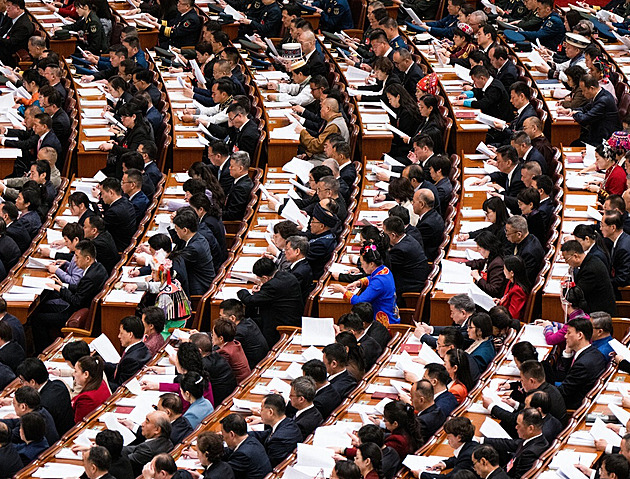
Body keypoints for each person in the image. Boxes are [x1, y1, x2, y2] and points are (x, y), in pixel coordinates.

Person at [32, 240, 109, 352]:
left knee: (37, 319)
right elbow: (81, 289)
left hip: (74, 313)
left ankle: (43, 351)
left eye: (77, 257)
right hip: (81, 305)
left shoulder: (89, 278)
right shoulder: (99, 267)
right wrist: (63, 284)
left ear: (87, 259)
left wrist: (60, 289)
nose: (75, 260)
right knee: (42, 306)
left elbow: (76, 301)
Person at [237, 257, 303, 348]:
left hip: (281, 324)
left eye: (260, 279)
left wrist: (242, 291)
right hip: (292, 316)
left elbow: (250, 301)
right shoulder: (287, 275)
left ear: (265, 277)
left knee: (248, 324)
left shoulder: (272, 285)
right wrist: (262, 293)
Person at [331, 243, 399, 324]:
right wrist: (359, 282)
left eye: (362, 264)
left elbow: (359, 302)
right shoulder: (384, 269)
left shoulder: (378, 282)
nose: (362, 267)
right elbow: (371, 277)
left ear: (371, 264)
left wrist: (342, 290)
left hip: (385, 322)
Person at [553, 317, 608, 409]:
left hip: (573, 407)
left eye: (569, 333)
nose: (565, 336)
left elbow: (563, 392)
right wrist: (567, 354)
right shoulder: (596, 353)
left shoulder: (582, 364)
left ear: (579, 335)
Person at [483, 408, 549, 479]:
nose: (516, 427)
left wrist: (492, 472)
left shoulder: (529, 453)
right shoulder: (537, 440)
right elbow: (510, 443)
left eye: (518, 425)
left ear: (530, 429)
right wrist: (482, 440)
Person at [558, 74, 621, 146]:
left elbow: (584, 119)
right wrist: (569, 110)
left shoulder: (603, 100)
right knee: (574, 143)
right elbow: (585, 109)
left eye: (584, 90)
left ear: (592, 88)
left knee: (574, 144)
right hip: (595, 132)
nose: (582, 93)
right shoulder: (599, 95)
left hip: (604, 138)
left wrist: (575, 113)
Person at [15, 358, 73, 435]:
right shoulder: (59, 384)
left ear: (32, 382)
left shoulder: (42, 405)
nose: (22, 384)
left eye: (22, 381)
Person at [560, 240, 616, 315]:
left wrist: (563, 290)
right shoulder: (589, 260)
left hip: (599, 315)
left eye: (566, 259)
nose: (566, 262)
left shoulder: (590, 270)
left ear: (576, 256)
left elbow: (575, 296)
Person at [172, 209, 215, 295]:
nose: (175, 231)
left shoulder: (194, 248)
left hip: (198, 287)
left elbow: (175, 261)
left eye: (176, 229)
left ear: (185, 230)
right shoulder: (199, 237)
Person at [104, 316, 152, 390]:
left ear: (130, 335)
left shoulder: (131, 359)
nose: (119, 336)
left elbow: (120, 388)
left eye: (121, 333)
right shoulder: (142, 348)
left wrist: (100, 382)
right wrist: (100, 365)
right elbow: (120, 367)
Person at [220, 413, 273, 479]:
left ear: (232, 434)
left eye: (222, 433)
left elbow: (223, 474)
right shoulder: (252, 440)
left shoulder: (242, 454)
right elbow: (230, 451)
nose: (223, 437)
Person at [190, 333, 237, 406]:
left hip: (219, 402)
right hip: (229, 394)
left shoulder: (204, 364)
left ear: (199, 351)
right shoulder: (215, 355)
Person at [122, 411, 173, 476]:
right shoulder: (167, 441)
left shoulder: (147, 449)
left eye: (147, 422)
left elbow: (123, 461)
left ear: (157, 430)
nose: (142, 424)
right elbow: (134, 449)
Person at [98, 177, 137, 252]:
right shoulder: (126, 202)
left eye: (102, 193)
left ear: (111, 192)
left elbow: (100, 230)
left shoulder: (114, 212)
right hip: (126, 241)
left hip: (118, 247)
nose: (101, 197)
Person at [466, 231, 507, 298]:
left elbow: (493, 290)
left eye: (479, 248)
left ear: (487, 247)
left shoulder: (497, 264)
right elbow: (480, 263)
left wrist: (478, 277)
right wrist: (462, 264)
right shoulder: (492, 256)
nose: (478, 251)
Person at [505, 216, 544, 284]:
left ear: (519, 234)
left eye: (508, 233)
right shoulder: (530, 237)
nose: (506, 235)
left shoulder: (528, 253)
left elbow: (522, 280)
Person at [212, 319, 251, 383]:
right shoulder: (235, 343)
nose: (212, 337)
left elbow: (218, 372)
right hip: (246, 379)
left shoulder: (225, 352)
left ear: (221, 338)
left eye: (213, 334)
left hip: (239, 384)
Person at [601, 211, 630, 297]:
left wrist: (602, 281)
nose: (600, 228)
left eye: (602, 225)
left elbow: (622, 279)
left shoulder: (623, 248)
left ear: (613, 227)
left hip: (623, 292)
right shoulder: (622, 239)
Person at [412, 188, 444, 261]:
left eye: (413, 201)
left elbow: (414, 243)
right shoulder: (432, 215)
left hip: (425, 259)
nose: (412, 204)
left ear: (421, 204)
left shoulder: (428, 225)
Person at [288, 376, 323, 441]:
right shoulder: (313, 412)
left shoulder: (301, 425)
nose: (289, 397)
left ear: (301, 399)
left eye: (291, 395)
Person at [0, 0, 34, 67]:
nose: (7, 10)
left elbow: (10, 43)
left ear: (17, 8)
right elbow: (2, 30)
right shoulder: (11, 17)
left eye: (9, 7)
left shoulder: (23, 26)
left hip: (9, 55)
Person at [411, 379, 445, 444]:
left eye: (412, 397)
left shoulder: (421, 422)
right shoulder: (439, 411)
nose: (410, 399)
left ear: (421, 400)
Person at [497, 256, 530, 320]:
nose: (503, 271)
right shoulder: (511, 282)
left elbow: (513, 315)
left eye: (504, 269)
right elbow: (507, 298)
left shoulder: (518, 290)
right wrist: (500, 301)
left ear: (512, 273)